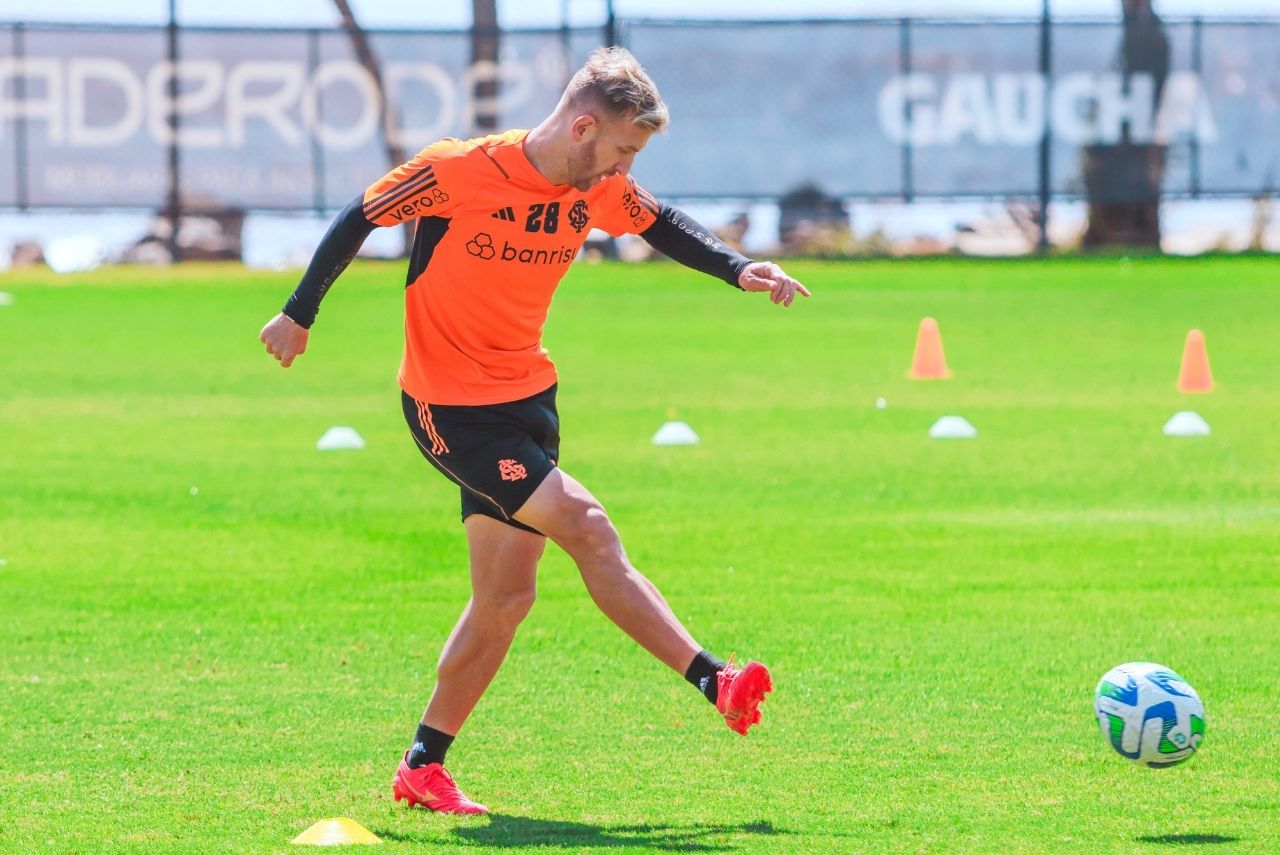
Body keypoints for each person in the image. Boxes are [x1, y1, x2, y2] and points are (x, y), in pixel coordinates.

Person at [259, 46, 809, 815]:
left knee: (507, 597)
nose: (624, 167)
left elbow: (663, 223)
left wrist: (736, 266)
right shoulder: (458, 170)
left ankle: (423, 765)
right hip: (450, 408)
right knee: (587, 523)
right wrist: (299, 313)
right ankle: (714, 677)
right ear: (584, 127)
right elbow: (362, 215)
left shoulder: (599, 185)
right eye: (621, 148)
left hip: (529, 400)